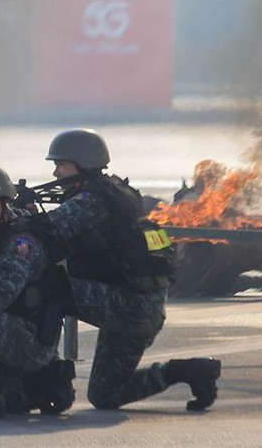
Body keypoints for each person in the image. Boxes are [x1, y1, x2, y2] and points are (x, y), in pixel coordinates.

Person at [27, 129, 218, 412]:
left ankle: (46, 375)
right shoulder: (114, 191)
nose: (55, 172)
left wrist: (18, 215)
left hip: (129, 306)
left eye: (61, 164)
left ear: (83, 163)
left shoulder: (91, 201)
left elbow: (48, 231)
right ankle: (186, 372)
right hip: (138, 306)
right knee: (105, 394)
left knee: (45, 288)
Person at [0, 163, 73, 415]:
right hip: (8, 331)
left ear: (3, 202)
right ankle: (13, 388)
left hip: (32, 341)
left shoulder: (21, 243)